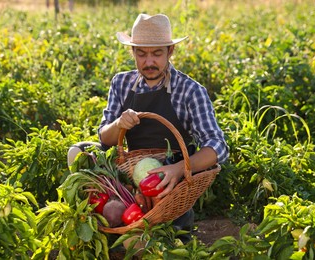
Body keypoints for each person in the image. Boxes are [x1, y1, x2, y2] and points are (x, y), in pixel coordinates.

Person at [68, 13, 229, 243]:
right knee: (77, 152)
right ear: (132, 52)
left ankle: (159, 228)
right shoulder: (121, 83)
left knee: (157, 239)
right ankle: (101, 222)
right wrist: (119, 123)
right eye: (141, 54)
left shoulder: (190, 91)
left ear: (170, 51)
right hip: (128, 172)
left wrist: (179, 168)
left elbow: (218, 147)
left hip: (167, 180)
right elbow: (105, 138)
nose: (149, 62)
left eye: (157, 53)